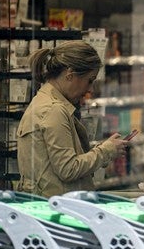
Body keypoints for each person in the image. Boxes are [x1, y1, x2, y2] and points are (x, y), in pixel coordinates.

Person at [17, 40, 129, 197]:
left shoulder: (44, 102)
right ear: (70, 75)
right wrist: (105, 151)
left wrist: (105, 150)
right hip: (59, 209)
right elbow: (68, 169)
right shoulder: (53, 110)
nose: (90, 89)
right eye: (89, 80)